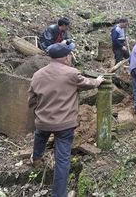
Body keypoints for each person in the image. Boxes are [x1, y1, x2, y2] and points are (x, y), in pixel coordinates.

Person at [28, 42, 104, 197]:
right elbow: (88, 83)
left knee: (40, 135)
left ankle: (36, 158)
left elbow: (31, 100)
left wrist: (39, 113)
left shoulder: (38, 75)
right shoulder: (71, 73)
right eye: (69, 55)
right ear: (65, 57)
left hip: (43, 121)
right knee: (62, 161)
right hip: (64, 124)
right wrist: (98, 81)